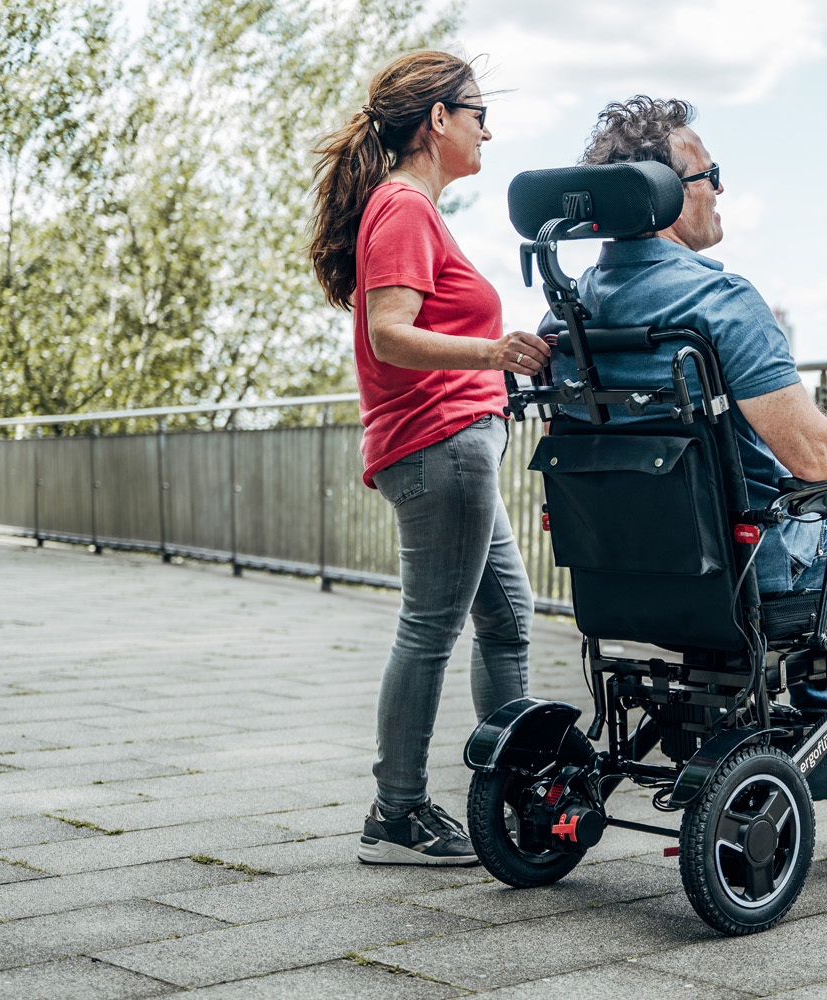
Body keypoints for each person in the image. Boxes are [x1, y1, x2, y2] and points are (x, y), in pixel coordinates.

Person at [544, 97, 827, 802]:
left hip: (619, 569)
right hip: (748, 567)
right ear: (666, 192)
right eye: (711, 174)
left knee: (816, 511)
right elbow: (814, 457)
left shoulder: (565, 312)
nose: (721, 189)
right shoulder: (721, 300)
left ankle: (821, 715)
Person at [309, 51, 551, 864]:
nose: (488, 128)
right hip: (439, 443)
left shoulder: (412, 207)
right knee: (431, 629)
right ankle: (398, 813)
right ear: (438, 120)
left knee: (508, 622)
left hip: (454, 444)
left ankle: (513, 789)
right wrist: (496, 353)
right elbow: (388, 333)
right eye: (479, 112)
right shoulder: (405, 206)